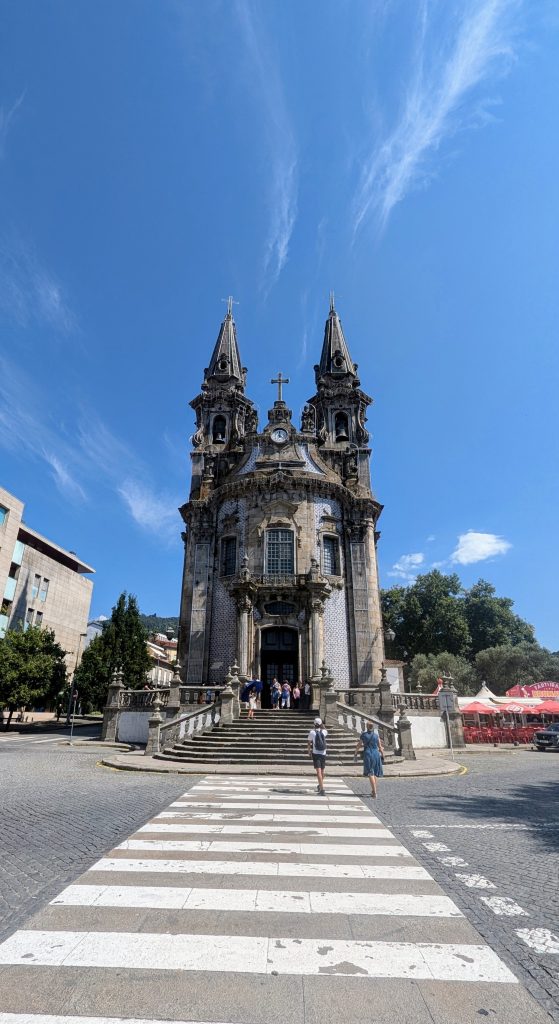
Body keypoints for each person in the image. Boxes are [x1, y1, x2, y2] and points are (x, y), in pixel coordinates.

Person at [355, 720, 384, 798]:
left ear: (367, 727)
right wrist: (382, 755)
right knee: (375, 772)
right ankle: (373, 790)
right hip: (376, 754)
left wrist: (356, 753)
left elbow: (359, 745)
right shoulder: (376, 735)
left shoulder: (363, 735)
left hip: (368, 753)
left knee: (370, 772)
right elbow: (380, 747)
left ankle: (374, 792)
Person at [307, 716, 328, 795]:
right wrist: (323, 725)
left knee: (318, 771)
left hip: (316, 753)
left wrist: (309, 751)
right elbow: (325, 729)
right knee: (322, 771)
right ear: (321, 724)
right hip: (323, 753)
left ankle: (322, 789)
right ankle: (320, 785)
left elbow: (309, 742)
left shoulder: (312, 732)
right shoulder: (324, 732)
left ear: (314, 724)